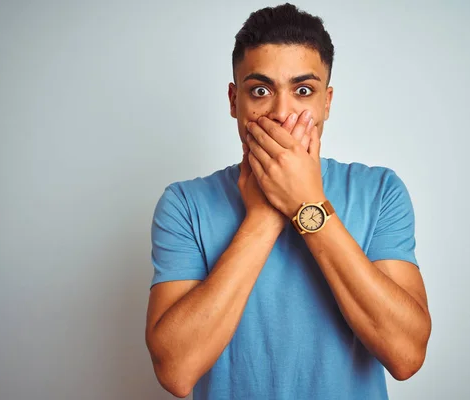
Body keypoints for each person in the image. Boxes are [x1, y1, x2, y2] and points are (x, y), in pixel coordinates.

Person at [145, 3, 432, 399]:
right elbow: (175, 371)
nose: (281, 113)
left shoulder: (380, 191)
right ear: (234, 101)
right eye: (260, 90)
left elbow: (407, 355)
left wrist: (306, 203)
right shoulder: (184, 204)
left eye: (303, 91)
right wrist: (263, 217)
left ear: (326, 103)